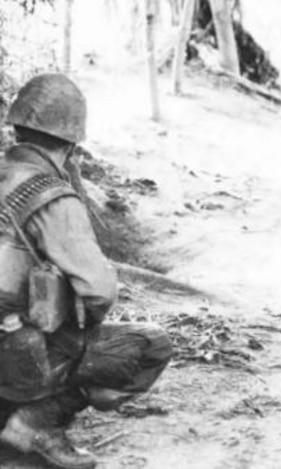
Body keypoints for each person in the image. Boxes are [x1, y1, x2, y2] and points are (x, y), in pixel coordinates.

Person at [0, 73, 173, 469]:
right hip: (15, 354)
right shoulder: (50, 196)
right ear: (72, 143)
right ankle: (36, 421)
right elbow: (99, 291)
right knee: (149, 346)